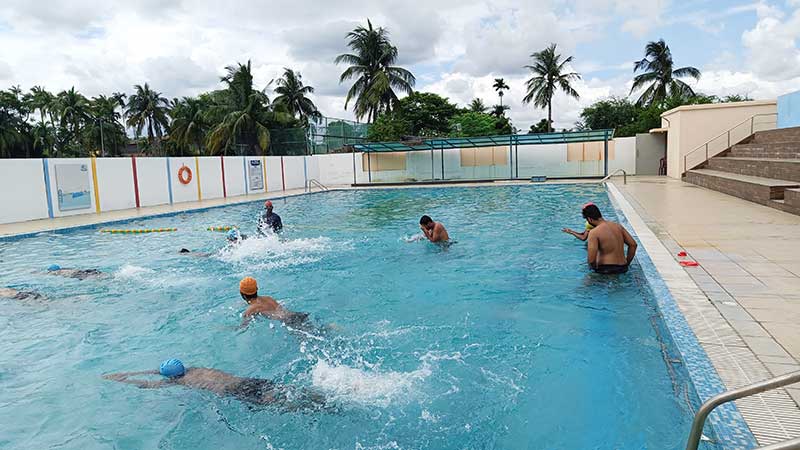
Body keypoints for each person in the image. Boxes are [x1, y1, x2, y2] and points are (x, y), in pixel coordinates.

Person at [103, 359, 326, 410]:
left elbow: (150, 384)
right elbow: (163, 371)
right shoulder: (194, 369)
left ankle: (326, 407)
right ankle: (324, 396)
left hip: (237, 391)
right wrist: (128, 372)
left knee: (286, 406)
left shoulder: (183, 381)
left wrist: (126, 378)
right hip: (247, 381)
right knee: (288, 392)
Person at [583, 204, 638, 274]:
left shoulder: (594, 232)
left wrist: (593, 269)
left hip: (605, 269)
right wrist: (627, 263)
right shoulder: (618, 226)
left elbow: (591, 260)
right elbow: (633, 245)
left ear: (589, 219)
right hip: (623, 268)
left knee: (586, 283)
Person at [238, 277, 309, 328]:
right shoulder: (268, 298)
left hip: (289, 322)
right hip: (295, 315)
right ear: (257, 289)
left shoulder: (250, 310)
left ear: (243, 295)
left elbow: (243, 327)